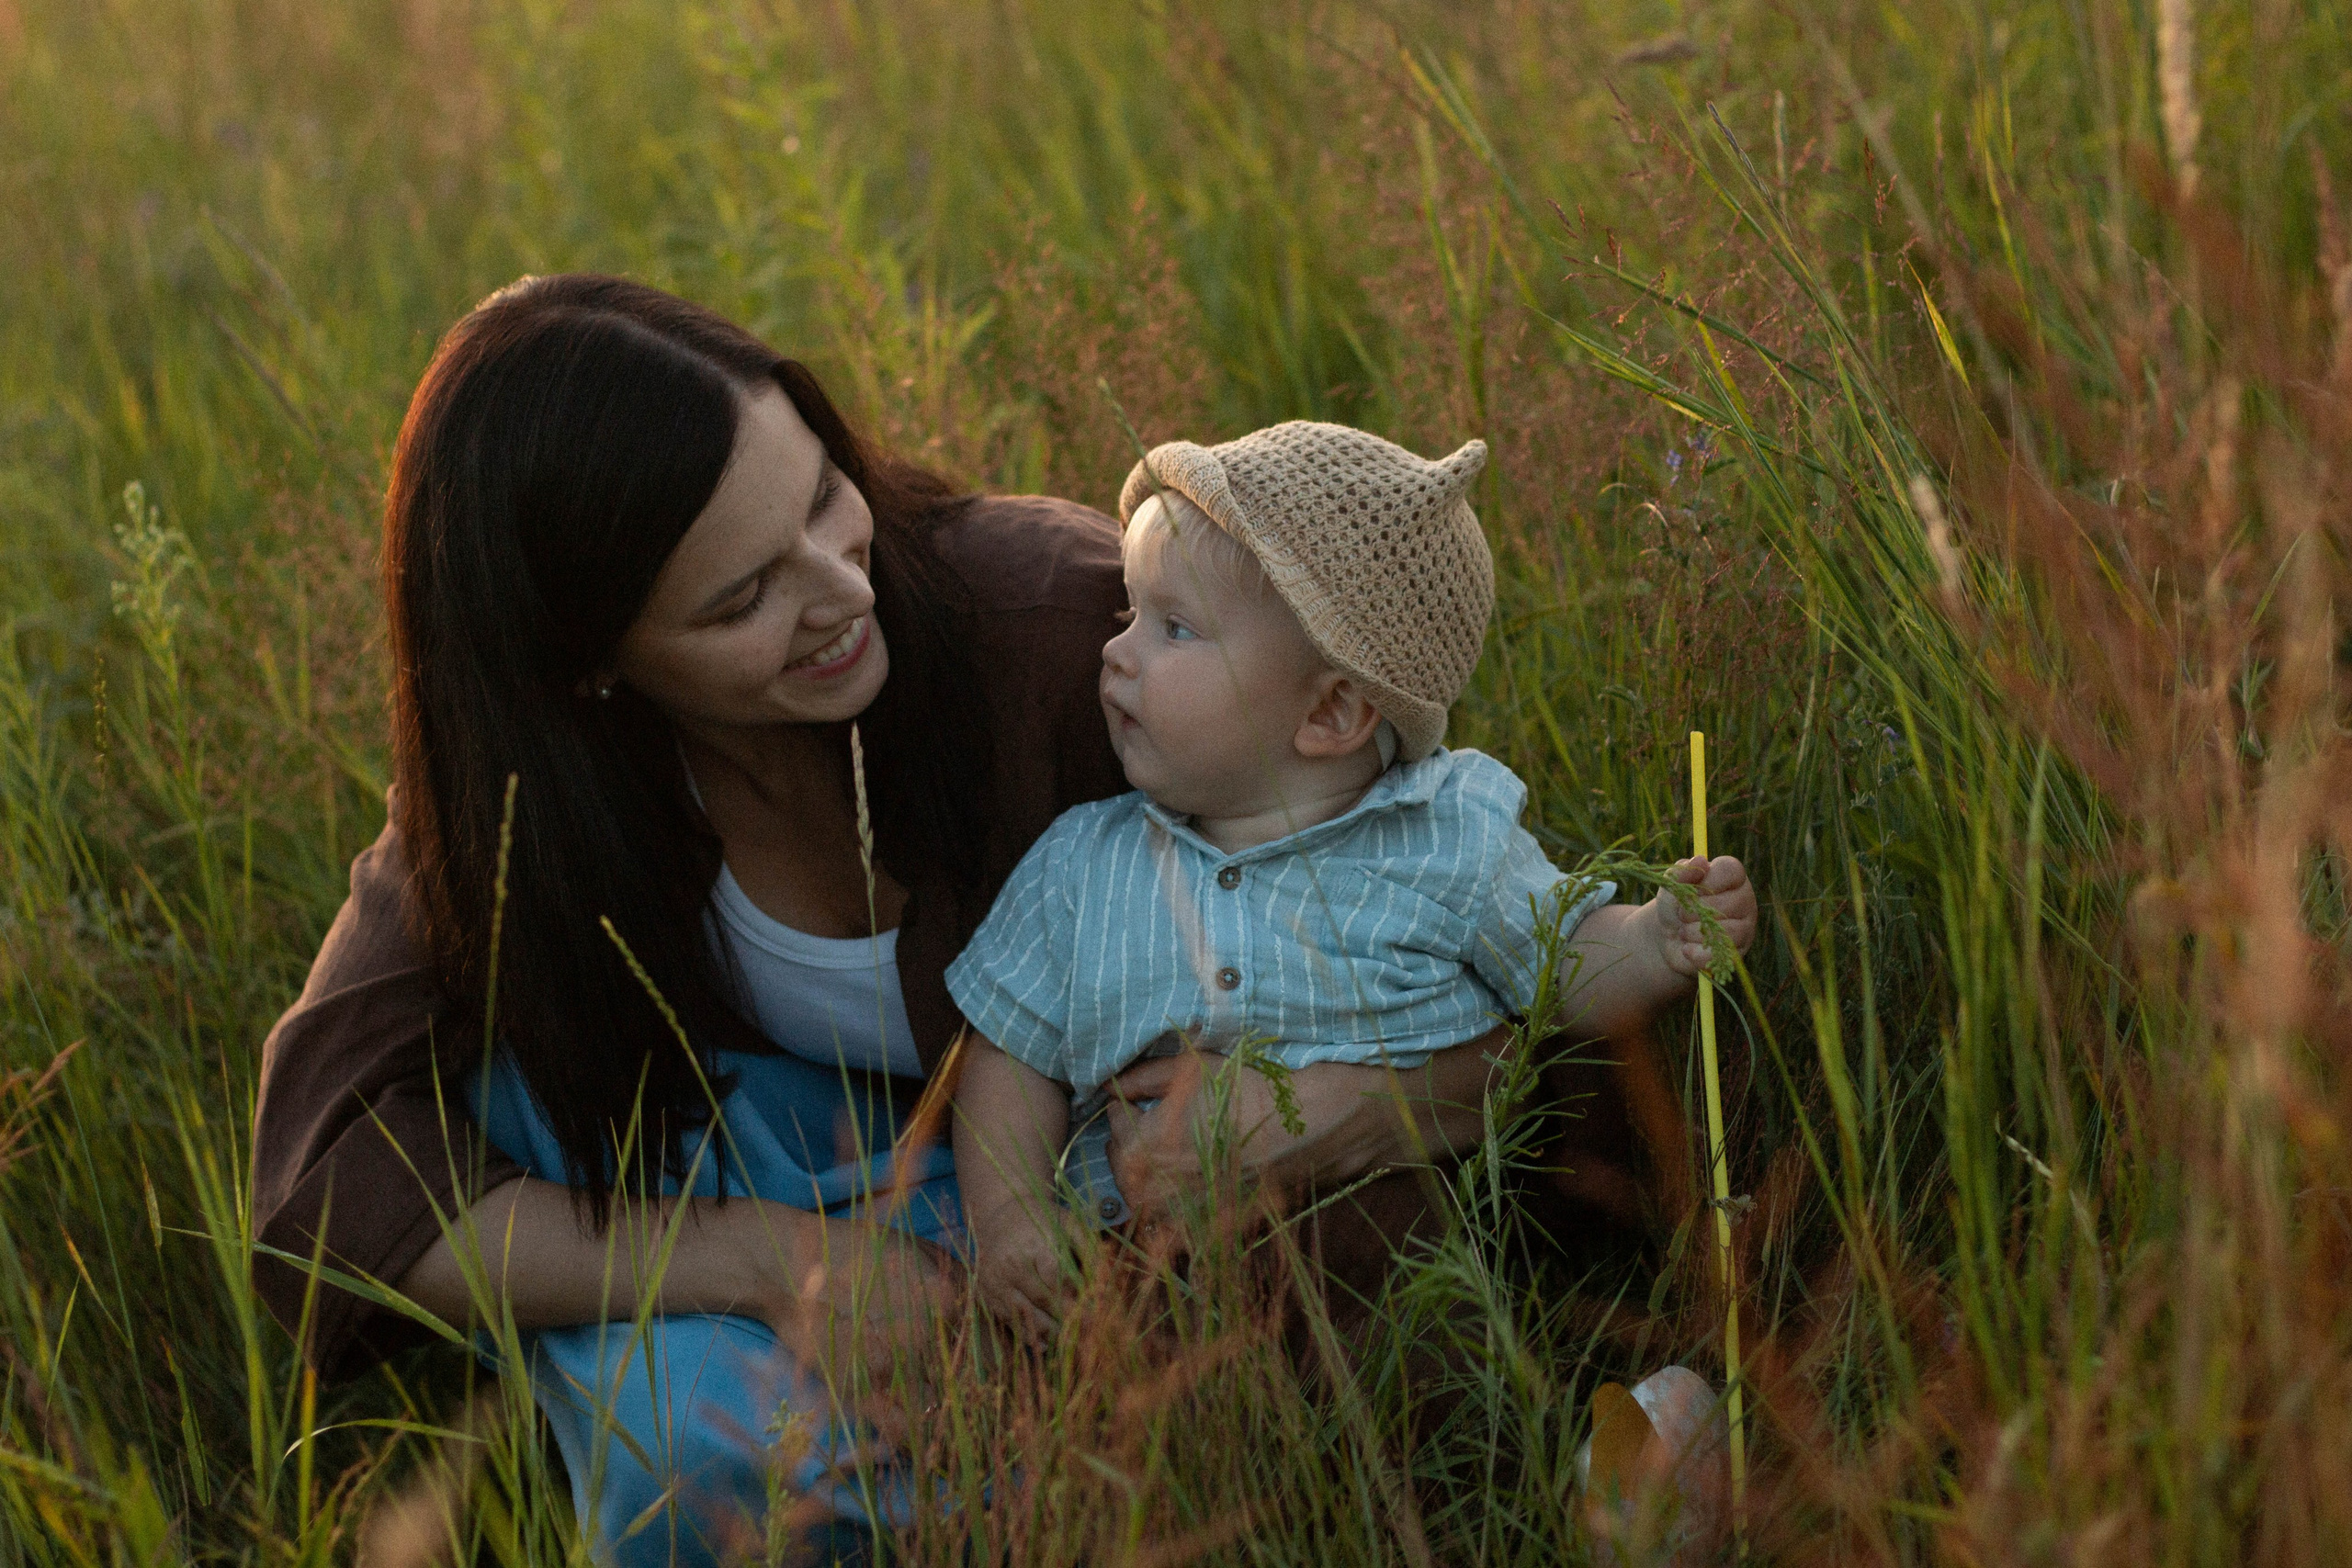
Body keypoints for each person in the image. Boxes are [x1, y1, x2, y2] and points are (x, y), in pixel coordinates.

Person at [248, 278, 1645, 1564]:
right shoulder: (528, 797)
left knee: (1291, 1321)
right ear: (588, 666)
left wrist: (1356, 1103)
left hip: (1124, 1203)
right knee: (530, 1115)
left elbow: (1479, 939)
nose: (840, 590)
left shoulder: (1072, 630)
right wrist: (772, 1263)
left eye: (823, 500)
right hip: (798, 1191)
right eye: (743, 596)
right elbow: (321, 1180)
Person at [946, 423, 1758, 1331]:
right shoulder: (1081, 865)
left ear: (1332, 711)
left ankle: (1576, 1437)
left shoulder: (1442, 838)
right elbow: (1006, 1053)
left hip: (1382, 1227)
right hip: (1138, 1254)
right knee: (1096, 1354)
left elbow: (1561, 964)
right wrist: (1014, 1223)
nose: (1117, 653)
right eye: (1127, 614)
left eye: (1173, 628)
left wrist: (1653, 941)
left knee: (1400, 1261)